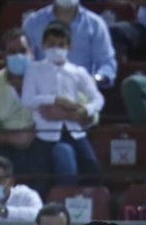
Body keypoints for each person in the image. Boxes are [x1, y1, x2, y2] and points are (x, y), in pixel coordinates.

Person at [0, 27, 77, 196]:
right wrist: (11, 138)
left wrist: (68, 114)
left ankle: (63, 211)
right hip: (5, 148)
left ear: (33, 53)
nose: (18, 56)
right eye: (12, 52)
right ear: (3, 57)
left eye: (22, 51)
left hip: (43, 143)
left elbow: (86, 110)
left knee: (64, 153)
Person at [21, 21, 104, 185]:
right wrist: (54, 99)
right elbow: (27, 100)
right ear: (43, 45)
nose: (56, 49)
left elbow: (98, 99)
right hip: (45, 134)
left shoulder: (78, 72)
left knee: (92, 170)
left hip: (74, 131)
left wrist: (84, 111)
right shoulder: (34, 69)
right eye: (52, 44)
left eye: (61, 44)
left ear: (69, 47)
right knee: (41, 179)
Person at [22, 0, 117, 89]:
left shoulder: (95, 25)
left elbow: (107, 64)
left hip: (82, 95)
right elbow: (26, 61)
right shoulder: (33, 23)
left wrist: (94, 80)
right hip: (42, 93)